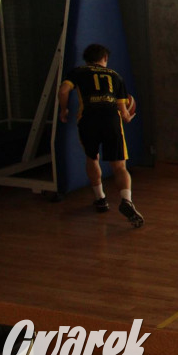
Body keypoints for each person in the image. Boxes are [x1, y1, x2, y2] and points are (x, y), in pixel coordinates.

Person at [57, 43, 144, 228]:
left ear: (87, 59)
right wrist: (128, 115)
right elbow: (124, 113)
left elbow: (63, 90)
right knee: (120, 166)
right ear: (104, 58)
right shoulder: (115, 76)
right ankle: (126, 200)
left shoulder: (78, 71)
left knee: (92, 158)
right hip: (111, 118)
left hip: (88, 118)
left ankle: (100, 199)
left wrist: (63, 110)